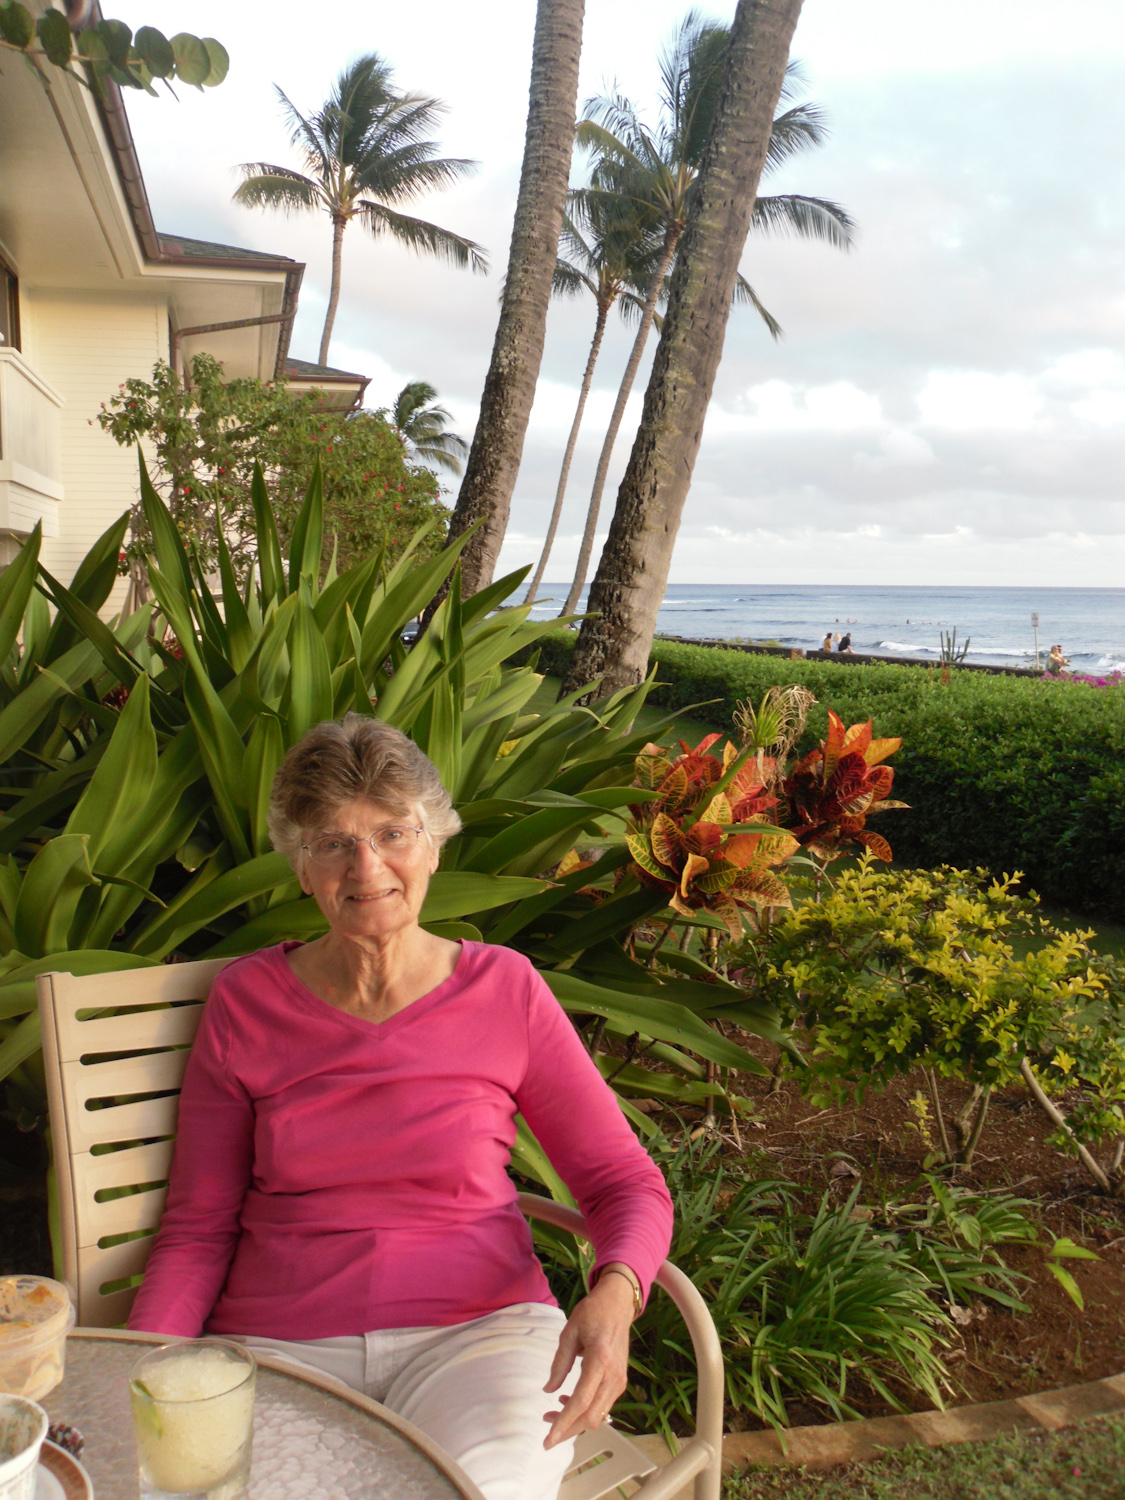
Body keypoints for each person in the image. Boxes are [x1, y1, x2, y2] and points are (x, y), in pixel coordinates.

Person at [128, 715, 673, 1500]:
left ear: (434, 843)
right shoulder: (244, 1002)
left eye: (392, 832)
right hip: (283, 1348)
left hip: (482, 1335)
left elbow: (623, 1180)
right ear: (301, 868)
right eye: (332, 842)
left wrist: (614, 1296)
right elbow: (198, 1225)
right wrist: (147, 1365)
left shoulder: (506, 990)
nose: (367, 865)